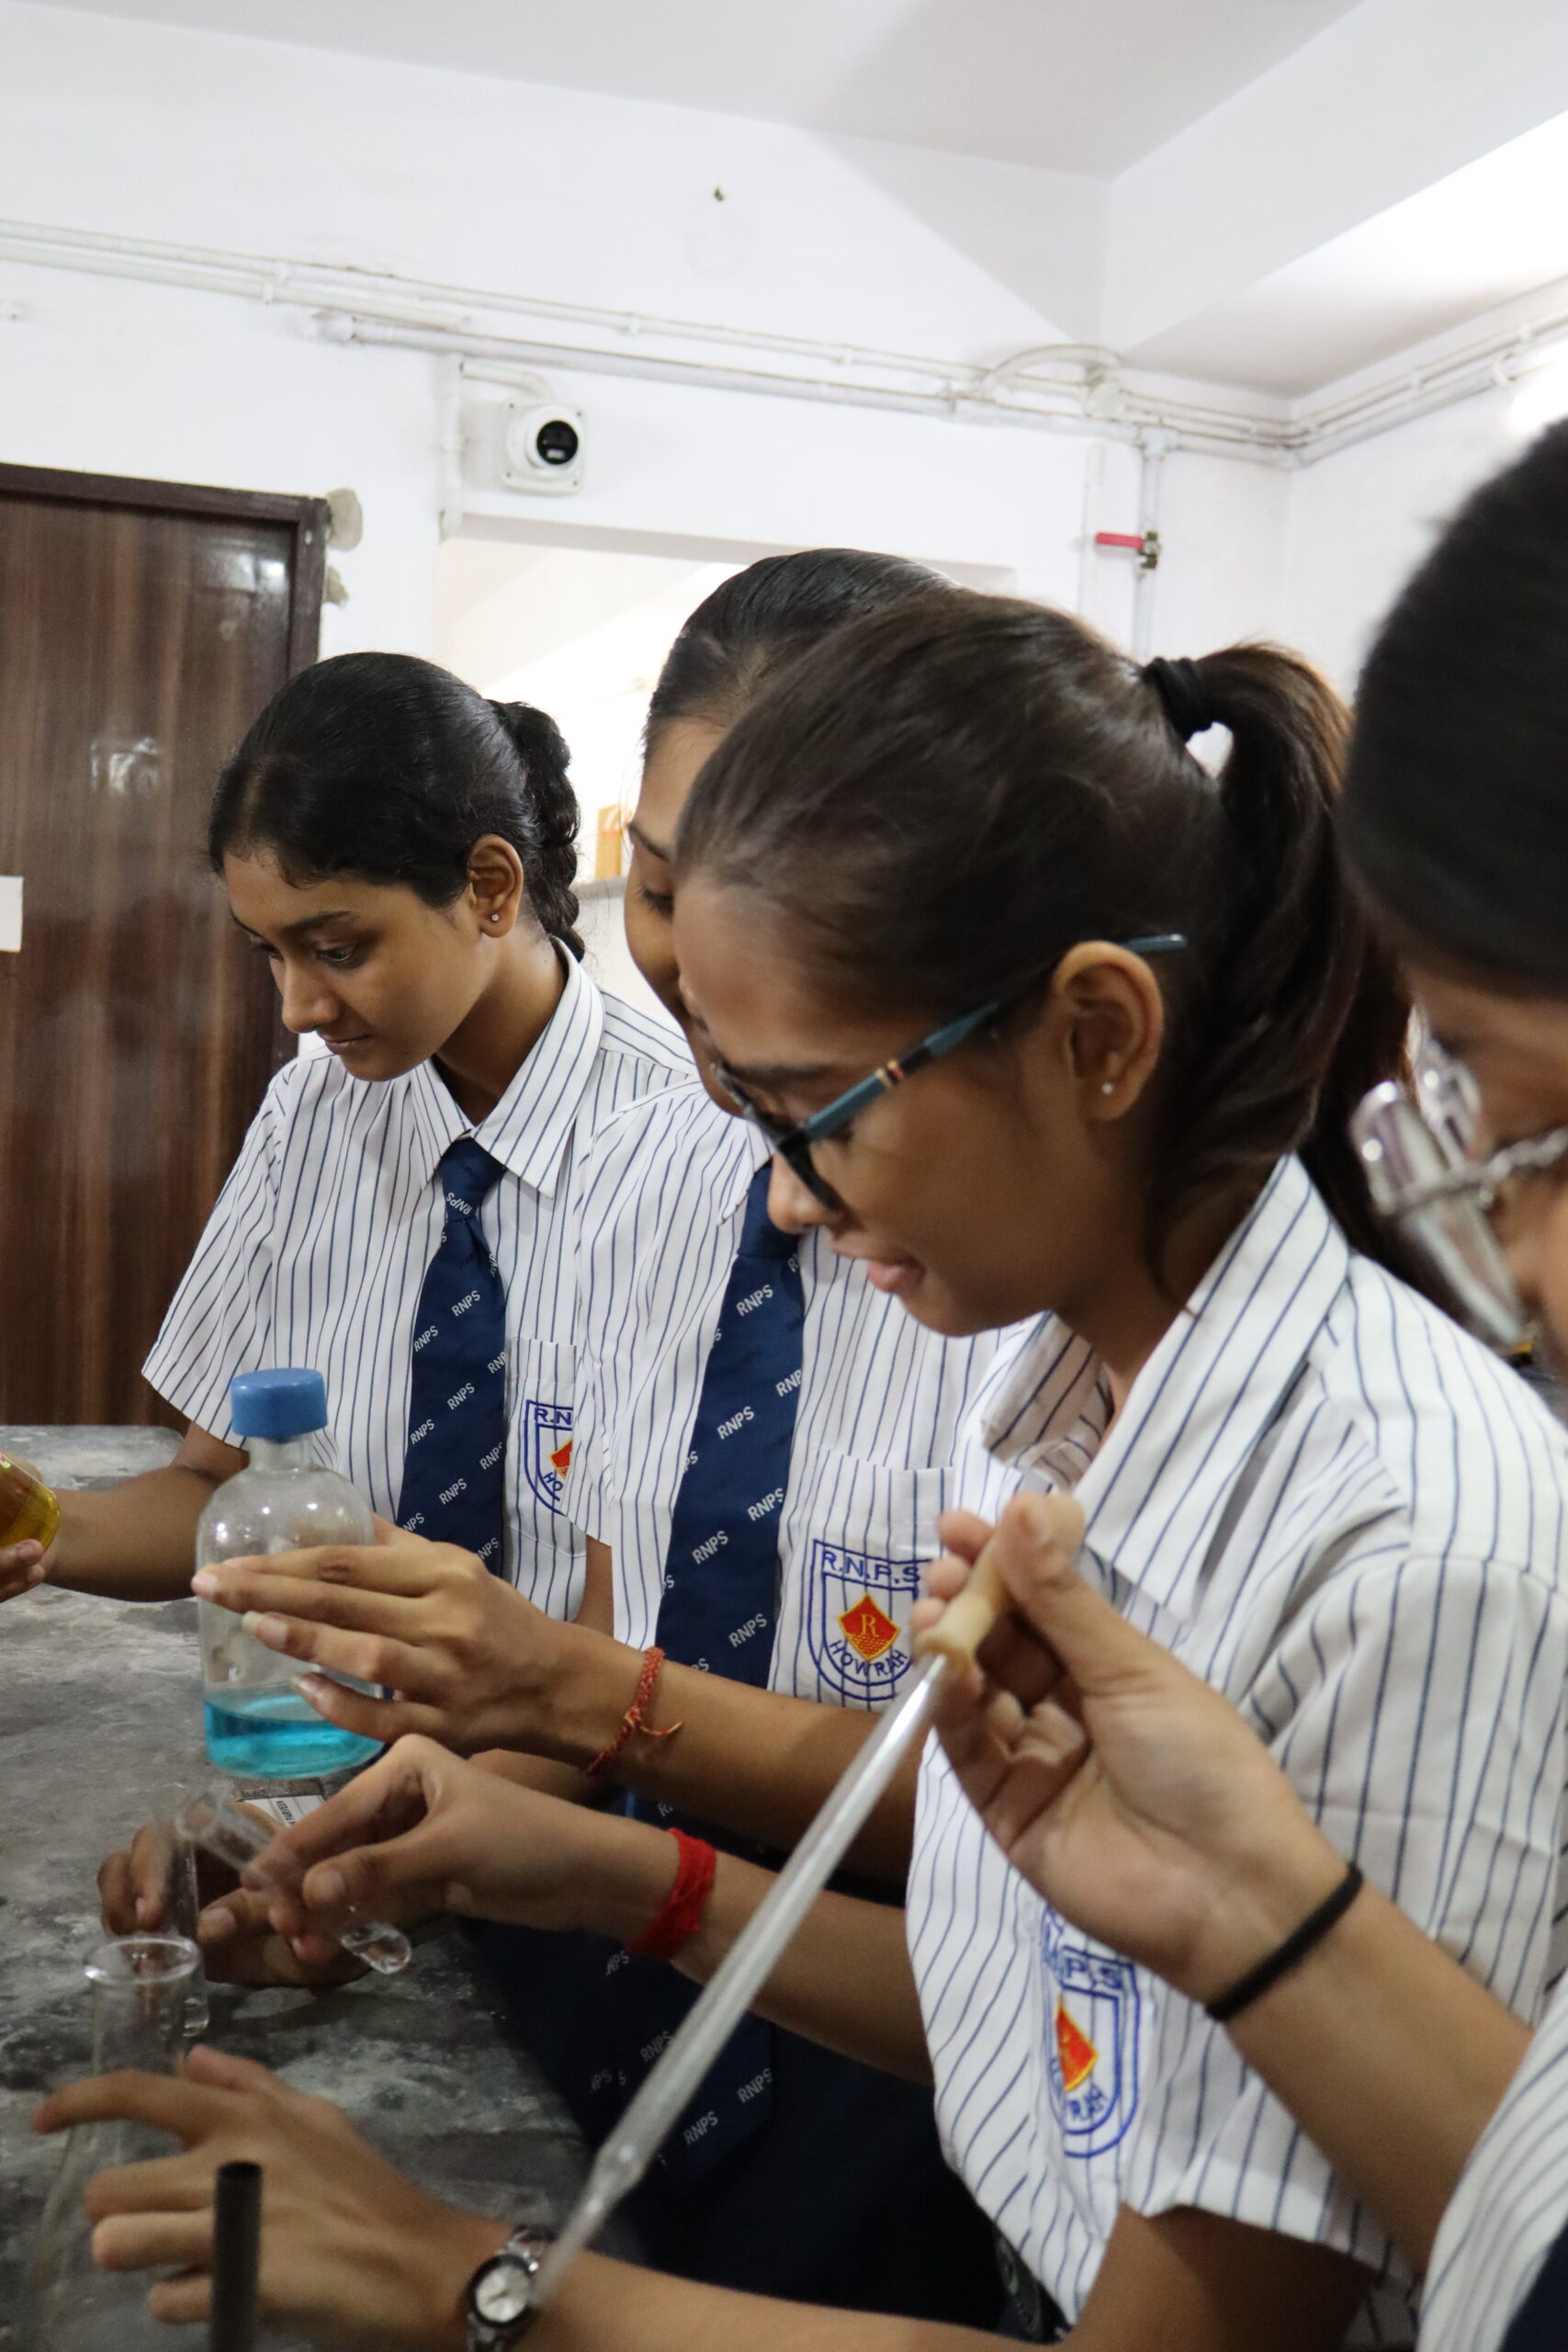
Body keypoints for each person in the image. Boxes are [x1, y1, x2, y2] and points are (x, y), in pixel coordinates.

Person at [45, 569, 1568, 2349]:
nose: (772, 1197)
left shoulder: (1394, 1541)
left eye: (815, 1112)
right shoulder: (1076, 1418)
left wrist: (466, 2276)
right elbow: (1034, 2015)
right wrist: (583, 1864)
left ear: (1096, 1038)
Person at [134, 554, 1011, 2324]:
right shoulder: (653, 1188)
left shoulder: (1019, 1291)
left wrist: (577, 1723)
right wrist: (364, 1855)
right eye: (667, 884)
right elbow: (606, 1684)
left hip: (898, 2071)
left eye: (774, 884)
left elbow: (1014, 1866)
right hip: (628, 1984)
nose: (692, 954)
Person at [0, 652, 686, 1610]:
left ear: (490, 887)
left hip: (575, 1708)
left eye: (336, 949)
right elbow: (214, 1488)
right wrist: (34, 1524)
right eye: (270, 954)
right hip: (329, 1694)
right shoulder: (309, 1116)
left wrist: (517, 1710)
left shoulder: (688, 1140)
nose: (299, 1007)